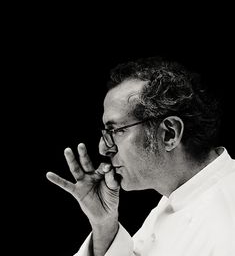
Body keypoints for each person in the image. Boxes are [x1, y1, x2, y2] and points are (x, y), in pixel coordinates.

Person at [46, 56, 235, 256]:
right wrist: (104, 226)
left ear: (169, 134)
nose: (103, 148)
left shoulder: (227, 227)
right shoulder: (179, 195)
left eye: (117, 131)